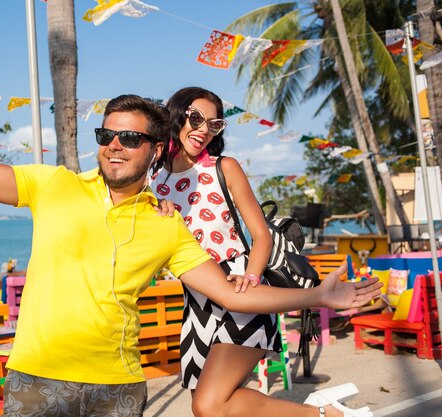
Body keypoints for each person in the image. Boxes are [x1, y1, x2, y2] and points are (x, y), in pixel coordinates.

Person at [0, 52, 381, 417]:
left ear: (154, 146)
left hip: (142, 367)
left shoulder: (183, 204)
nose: (115, 144)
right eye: (106, 135)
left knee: (210, 403)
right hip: (48, 378)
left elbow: (243, 273)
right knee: (210, 404)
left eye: (131, 138)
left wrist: (317, 296)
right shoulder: (60, 185)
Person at [151, 86, 373, 417]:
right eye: (195, 118)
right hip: (196, 300)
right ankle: (326, 412)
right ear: (176, 114)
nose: (202, 130)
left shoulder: (223, 167)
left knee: (207, 405)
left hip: (242, 287)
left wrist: (252, 276)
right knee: (220, 405)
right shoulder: (155, 181)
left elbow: (261, 235)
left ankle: (325, 415)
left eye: (214, 125)